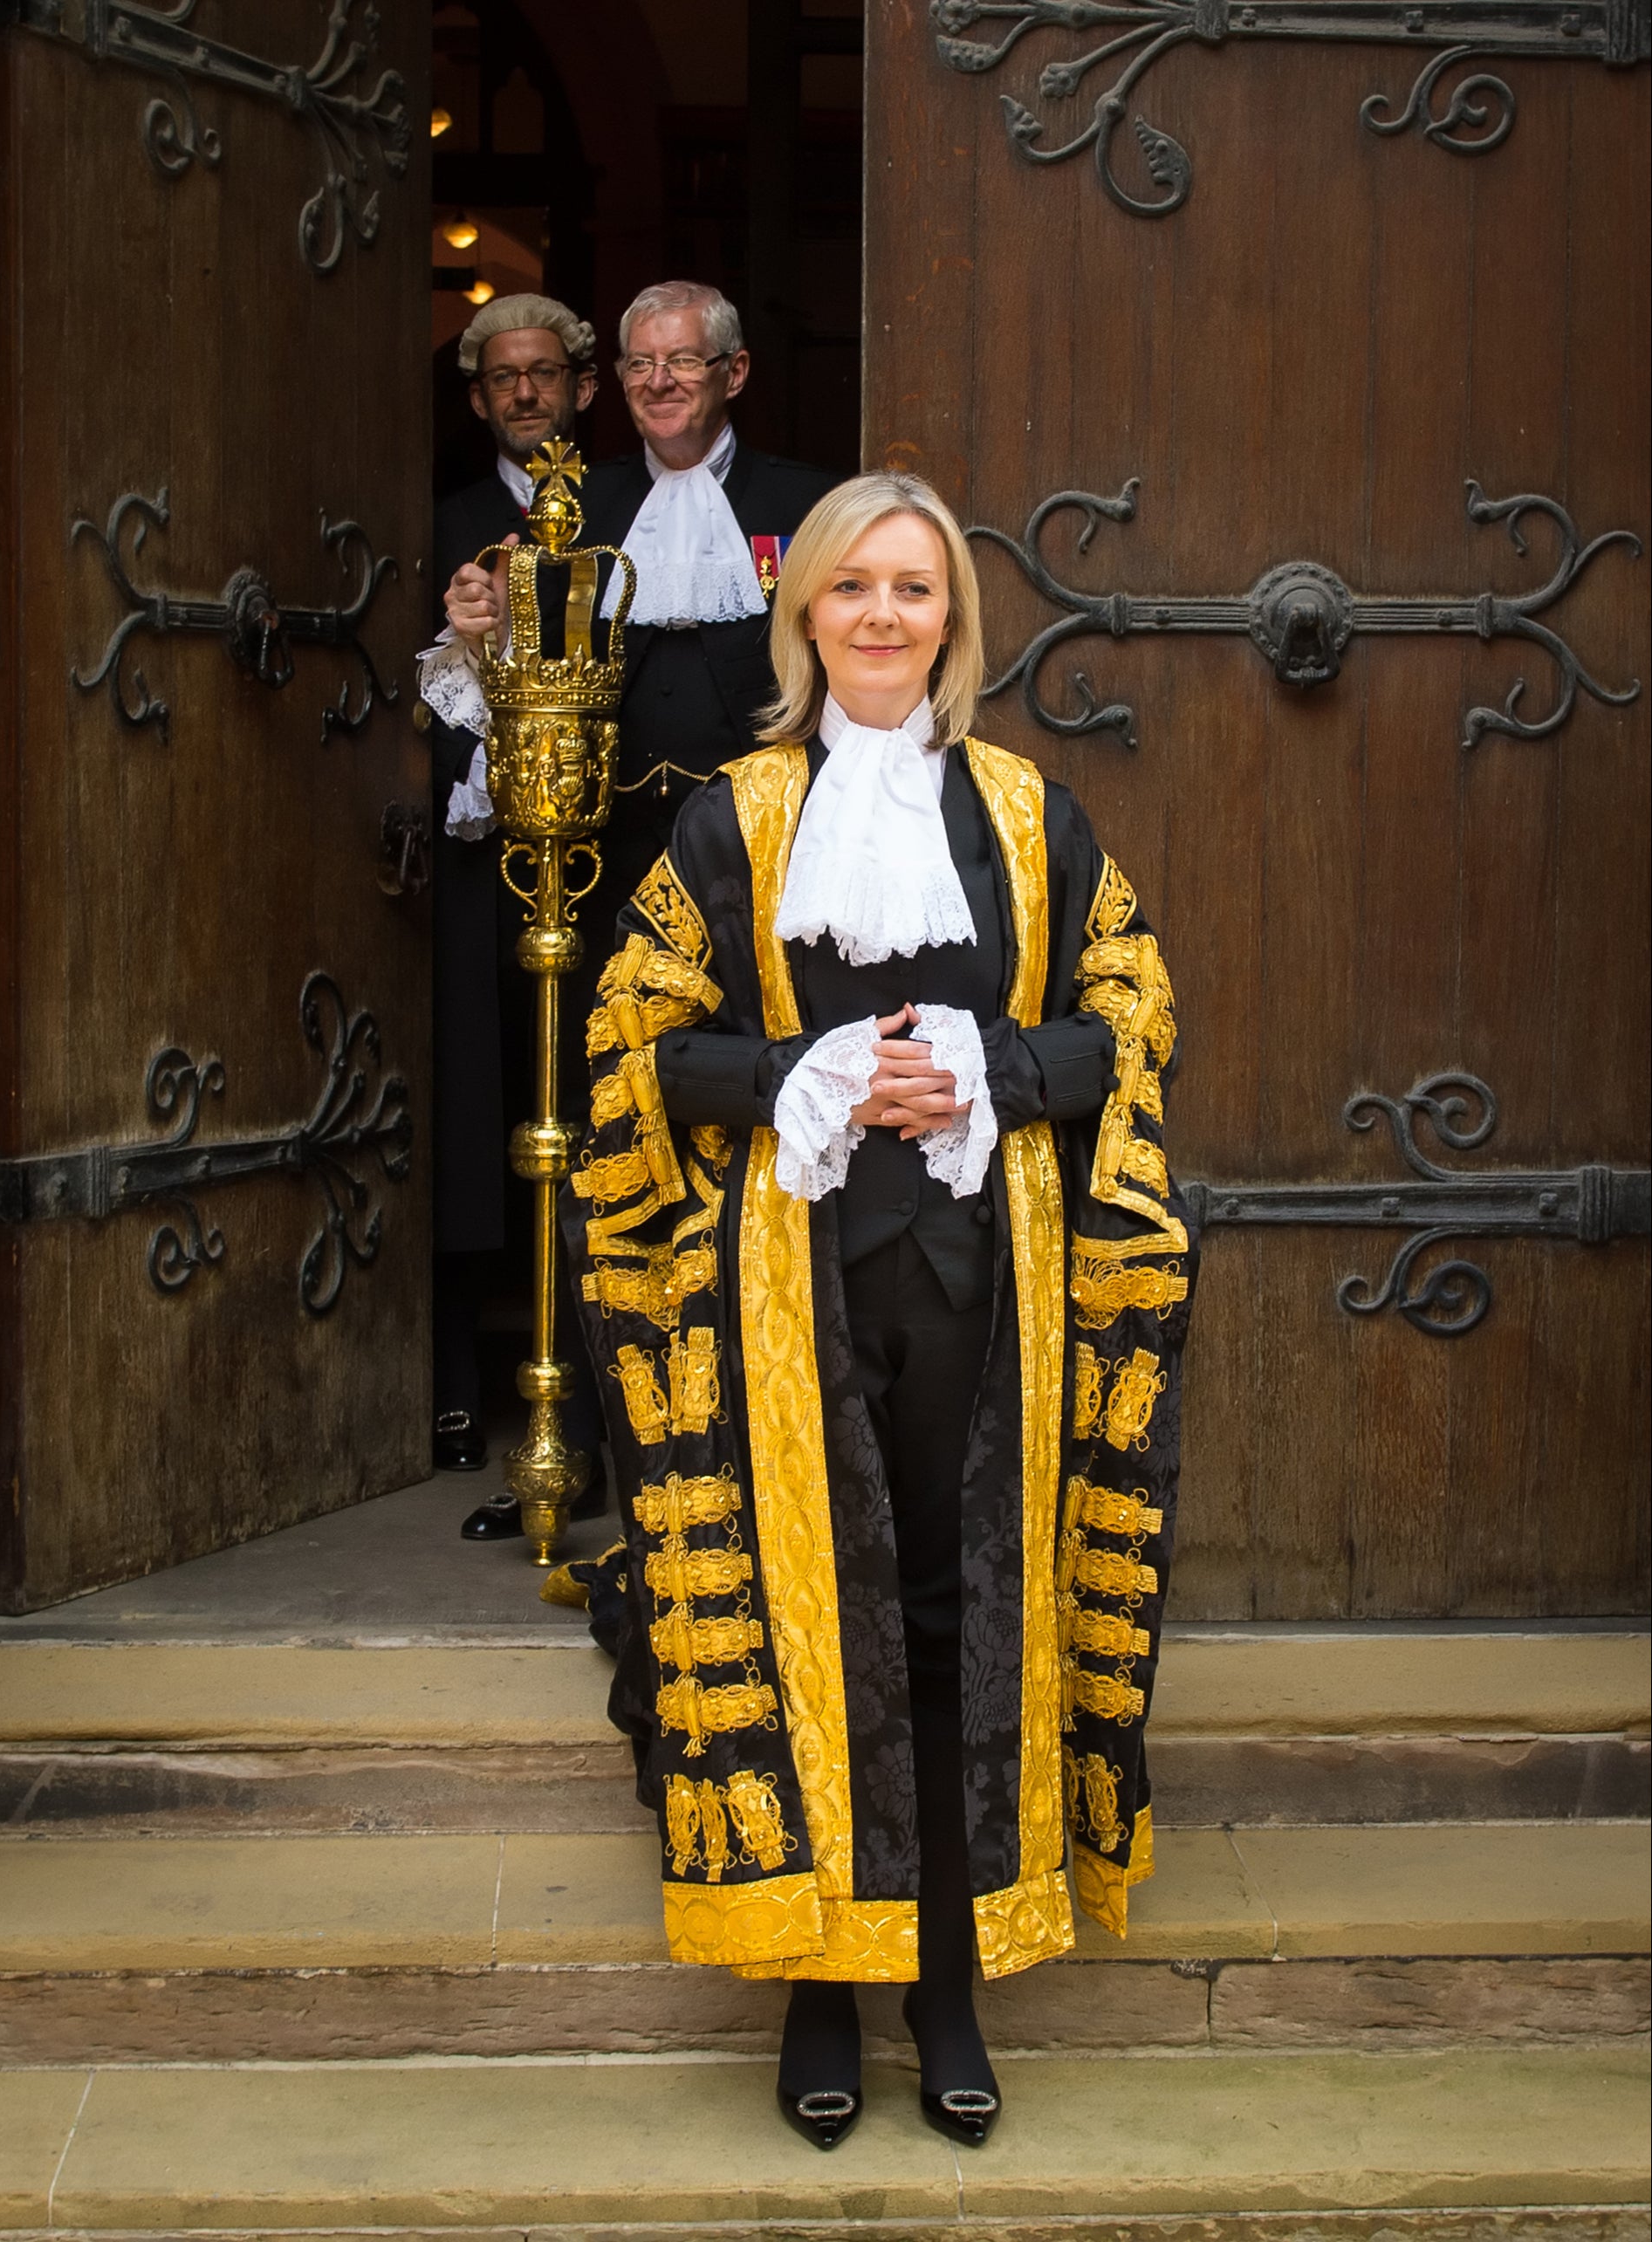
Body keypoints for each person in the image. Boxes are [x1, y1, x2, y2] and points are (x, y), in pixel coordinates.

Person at [559, 472, 1196, 2148]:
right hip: (797, 1287)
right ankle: (821, 1989)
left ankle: (949, 1981)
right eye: (855, 589)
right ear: (807, 616)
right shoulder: (732, 819)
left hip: (990, 1283)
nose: (886, 617)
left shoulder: (1028, 813)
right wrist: (803, 1071)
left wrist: (993, 1062)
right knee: (810, 1616)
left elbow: (1126, 1020)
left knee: (944, 1606)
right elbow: (636, 1051)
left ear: (954, 622)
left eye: (916, 589)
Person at [436, 281, 840, 1536]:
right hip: (603, 877)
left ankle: (758, 1448)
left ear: (734, 373)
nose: (661, 381)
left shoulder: (798, 506)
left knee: (757, 1137)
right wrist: (476, 634)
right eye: (641, 363)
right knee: (601, 1142)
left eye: (685, 362)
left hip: (757, 875)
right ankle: (586, 1454)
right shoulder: (584, 505)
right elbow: (517, 689)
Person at [421, 292, 601, 1532]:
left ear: (579, 388)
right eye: (504, 377)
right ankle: (455, 1383)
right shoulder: (443, 527)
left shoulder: (630, 518)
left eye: (545, 373)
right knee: (484, 1105)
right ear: (479, 397)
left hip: (612, 857)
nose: (525, 392)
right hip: (489, 869)